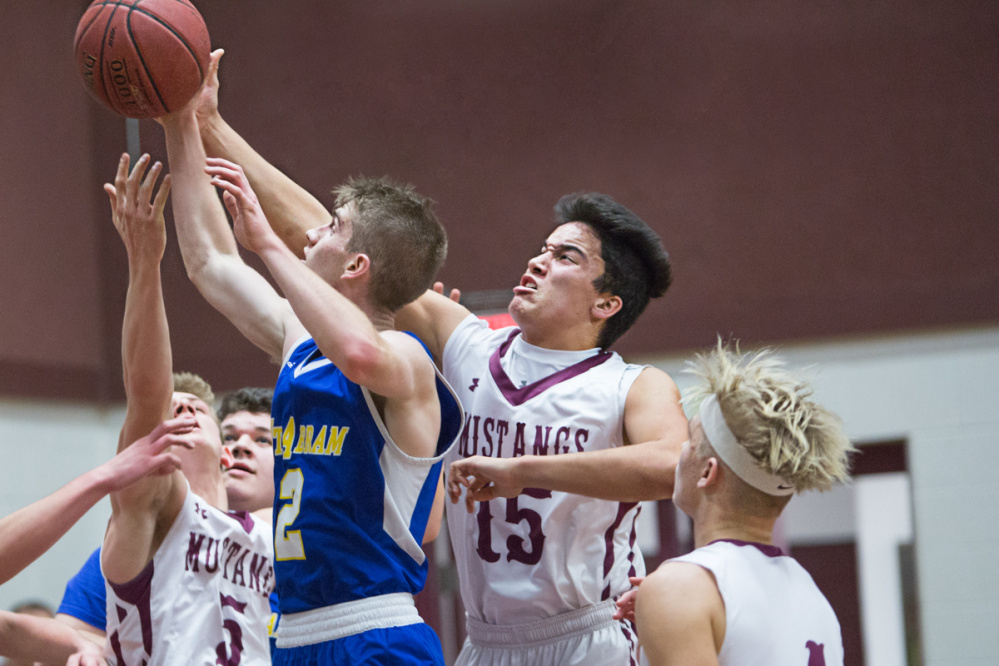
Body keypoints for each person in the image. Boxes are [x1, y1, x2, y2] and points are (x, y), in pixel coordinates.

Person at [184, 50, 687, 665]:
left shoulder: (633, 385)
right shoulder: (468, 342)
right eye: (542, 249)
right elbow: (340, 245)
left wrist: (526, 470)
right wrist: (209, 125)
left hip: (588, 633)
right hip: (487, 641)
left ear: (607, 303)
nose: (536, 262)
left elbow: (669, 466)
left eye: (565, 258)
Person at [160, 89, 463, 664]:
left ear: (357, 267)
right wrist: (179, 122)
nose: (310, 234)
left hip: (376, 630)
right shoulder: (302, 345)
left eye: (332, 227)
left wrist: (267, 244)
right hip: (295, 632)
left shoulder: (408, 358)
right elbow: (210, 265)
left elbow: (359, 354)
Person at [98, 153, 274, 665]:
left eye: (195, 406)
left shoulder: (269, 524)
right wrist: (145, 263)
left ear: (224, 446)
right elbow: (147, 390)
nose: (181, 412)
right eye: (170, 411)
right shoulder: (151, 511)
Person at [618, 342, 852, 665]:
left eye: (691, 439)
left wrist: (673, 600)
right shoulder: (813, 596)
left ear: (707, 471)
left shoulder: (679, 589)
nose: (681, 449)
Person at [55, 387, 281, 650]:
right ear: (222, 452)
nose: (241, 446)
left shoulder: (303, 548)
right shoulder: (143, 539)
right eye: (230, 436)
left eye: (263, 440)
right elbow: (63, 639)